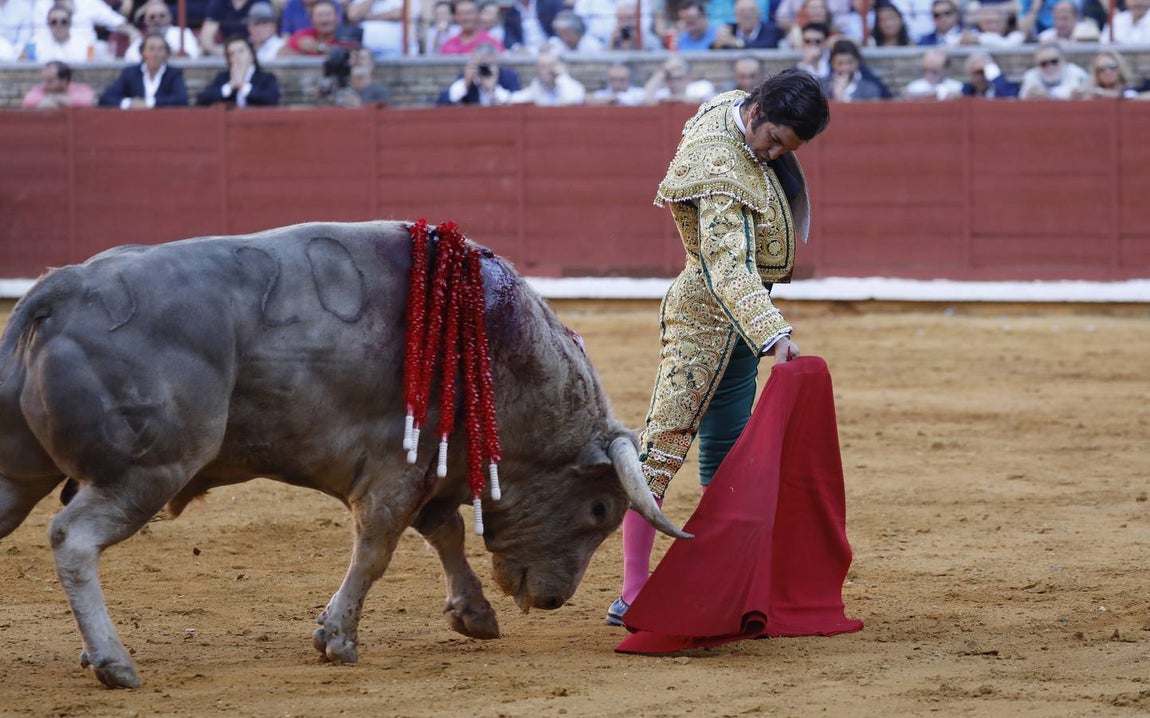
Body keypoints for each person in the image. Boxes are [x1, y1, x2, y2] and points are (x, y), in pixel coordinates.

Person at [607, 68, 830, 627]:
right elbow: (726, 265)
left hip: (739, 326)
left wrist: (759, 327)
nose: (776, 155)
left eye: (788, 148)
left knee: (730, 456)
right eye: (774, 140)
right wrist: (773, 331)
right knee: (661, 449)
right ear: (755, 114)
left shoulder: (735, 108)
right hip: (703, 320)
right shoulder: (717, 165)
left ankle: (720, 576)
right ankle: (633, 590)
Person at [98, 30, 188, 108]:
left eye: (160, 49)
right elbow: (107, 97)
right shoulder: (130, 73)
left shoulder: (173, 74)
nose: (155, 54)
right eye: (151, 49)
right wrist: (130, 103)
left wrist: (149, 103)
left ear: (166, 54)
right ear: (143, 53)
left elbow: (181, 99)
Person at [195, 34, 279, 106]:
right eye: (232, 54)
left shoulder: (266, 78)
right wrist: (230, 87)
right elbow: (202, 99)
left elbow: (271, 99)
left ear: (251, 54)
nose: (237, 57)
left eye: (241, 51)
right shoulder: (222, 78)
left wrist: (243, 86)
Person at [435, 41, 520, 105]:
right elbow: (442, 103)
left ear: (497, 64)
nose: (485, 68)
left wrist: (493, 89)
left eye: (489, 64)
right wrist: (465, 84)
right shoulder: (467, 77)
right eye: (481, 64)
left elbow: (517, 104)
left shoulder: (508, 76)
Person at [125, 0, 200, 60]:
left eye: (162, 16)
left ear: (170, 17)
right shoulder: (138, 42)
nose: (157, 20)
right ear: (145, 21)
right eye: (152, 17)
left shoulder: (183, 33)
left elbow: (193, 57)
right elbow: (130, 62)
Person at [509, 48, 584, 105]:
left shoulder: (565, 83)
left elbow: (576, 97)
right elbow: (513, 99)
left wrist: (561, 75)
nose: (548, 70)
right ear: (537, 70)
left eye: (551, 66)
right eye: (543, 67)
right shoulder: (536, 87)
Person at [821, 37, 889, 101]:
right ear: (832, 63)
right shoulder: (821, 86)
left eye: (849, 62)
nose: (845, 68)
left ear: (858, 62)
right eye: (840, 63)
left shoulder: (870, 88)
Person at [347, 0, 420, 58]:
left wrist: (366, 17)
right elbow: (353, 16)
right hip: (365, 53)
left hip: (394, 53)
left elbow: (399, 14)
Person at [278, 0, 352, 56]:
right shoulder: (303, 35)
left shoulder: (348, 36)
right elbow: (281, 53)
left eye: (328, 14)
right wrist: (304, 57)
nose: (324, 20)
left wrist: (319, 48)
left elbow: (349, 55)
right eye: (320, 15)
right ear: (312, 20)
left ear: (337, 18)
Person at [1019, 41, 1089, 99]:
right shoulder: (1030, 76)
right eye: (1043, 63)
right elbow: (1022, 98)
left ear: (1063, 60)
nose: (1049, 66)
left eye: (1054, 61)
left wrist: (1049, 96)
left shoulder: (1077, 73)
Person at [26, 4, 94, 62]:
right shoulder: (33, 45)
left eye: (64, 22)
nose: (59, 25)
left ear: (70, 23)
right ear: (48, 24)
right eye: (54, 22)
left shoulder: (86, 46)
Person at [21, 59, 96, 108]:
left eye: (50, 80)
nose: (45, 84)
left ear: (63, 80)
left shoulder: (81, 89)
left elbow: (88, 100)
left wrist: (59, 99)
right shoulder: (40, 89)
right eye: (45, 79)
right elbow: (27, 101)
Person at [644, 56, 716, 105]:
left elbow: (709, 103)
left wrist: (674, 99)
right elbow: (647, 99)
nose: (674, 83)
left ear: (688, 78)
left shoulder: (701, 87)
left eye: (679, 78)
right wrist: (663, 70)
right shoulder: (663, 93)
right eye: (670, 79)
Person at [711, 0, 781, 49]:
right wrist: (718, 44)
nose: (747, 15)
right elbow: (713, 50)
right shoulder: (730, 29)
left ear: (759, 14)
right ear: (736, 15)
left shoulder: (771, 29)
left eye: (751, 11)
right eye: (742, 12)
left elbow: (767, 46)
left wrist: (737, 43)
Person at [1074, 49, 1141, 99]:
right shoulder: (1091, 95)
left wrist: (1099, 92)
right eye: (1102, 68)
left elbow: (1130, 95)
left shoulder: (1133, 88)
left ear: (1120, 68)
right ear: (1096, 73)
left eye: (1112, 66)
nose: (1107, 71)